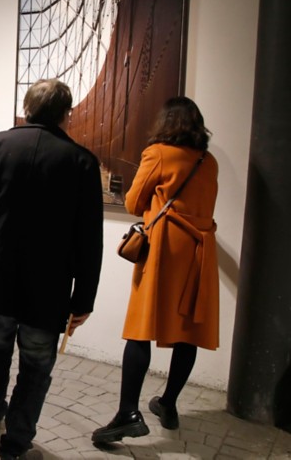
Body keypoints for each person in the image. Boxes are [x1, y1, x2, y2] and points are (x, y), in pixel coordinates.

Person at [0, 79, 103, 460]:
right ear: (66, 114)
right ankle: (16, 442)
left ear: (27, 106)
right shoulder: (82, 161)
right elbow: (89, 238)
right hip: (48, 285)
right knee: (36, 366)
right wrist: (83, 298)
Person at [92, 96, 219, 444]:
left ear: (165, 123)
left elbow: (133, 202)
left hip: (164, 248)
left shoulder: (159, 152)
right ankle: (169, 404)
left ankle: (128, 413)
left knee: (141, 327)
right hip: (198, 250)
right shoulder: (208, 161)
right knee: (187, 329)